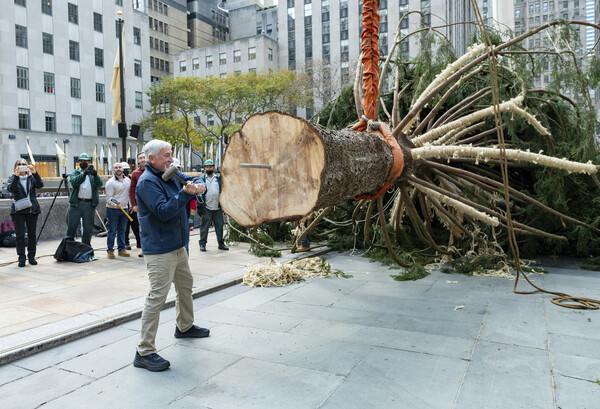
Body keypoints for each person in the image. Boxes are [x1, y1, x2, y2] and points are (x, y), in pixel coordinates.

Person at [133, 139, 209, 372]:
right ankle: (144, 351)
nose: (171, 159)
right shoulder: (147, 182)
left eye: (171, 154)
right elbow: (164, 212)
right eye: (166, 155)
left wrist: (198, 184)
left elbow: (192, 179)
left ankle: (184, 327)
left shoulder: (171, 172)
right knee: (157, 297)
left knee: (185, 285)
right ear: (152, 158)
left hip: (178, 245)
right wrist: (186, 194)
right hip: (159, 249)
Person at [7, 159, 44, 267]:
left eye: (24, 164)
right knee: (20, 235)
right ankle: (21, 258)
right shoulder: (12, 178)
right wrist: (16, 176)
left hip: (32, 209)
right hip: (18, 210)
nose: (22, 166)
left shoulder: (31, 177)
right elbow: (11, 189)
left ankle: (31, 256)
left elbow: (40, 185)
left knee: (32, 234)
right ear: (15, 167)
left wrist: (35, 172)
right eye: (19, 164)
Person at [66, 153, 103, 246]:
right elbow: (74, 182)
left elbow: (99, 184)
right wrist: (83, 174)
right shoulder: (74, 173)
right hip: (76, 203)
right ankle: (68, 247)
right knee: (71, 226)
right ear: (79, 162)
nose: (83, 163)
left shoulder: (92, 174)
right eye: (81, 161)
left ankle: (85, 247)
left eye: (85, 161)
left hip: (89, 204)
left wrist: (95, 175)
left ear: (89, 162)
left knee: (88, 228)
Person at [197, 159, 229, 252]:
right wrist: (200, 207)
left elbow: (223, 191)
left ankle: (221, 243)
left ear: (214, 168)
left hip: (217, 208)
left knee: (219, 226)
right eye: (207, 167)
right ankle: (202, 244)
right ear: (205, 168)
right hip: (206, 208)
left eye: (210, 167)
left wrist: (223, 205)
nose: (209, 168)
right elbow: (198, 194)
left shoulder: (218, 178)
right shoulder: (202, 179)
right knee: (204, 227)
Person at [104, 162, 131, 259]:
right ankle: (110, 250)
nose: (118, 169)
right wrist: (116, 204)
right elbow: (109, 198)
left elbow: (129, 195)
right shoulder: (110, 183)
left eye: (120, 167)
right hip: (113, 210)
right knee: (112, 230)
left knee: (122, 230)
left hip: (125, 209)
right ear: (113, 170)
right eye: (116, 167)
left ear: (123, 169)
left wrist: (131, 205)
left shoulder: (128, 180)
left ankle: (121, 249)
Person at [129, 152, 145, 256]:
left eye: (144, 157)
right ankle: (145, 248)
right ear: (138, 161)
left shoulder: (154, 171)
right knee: (143, 228)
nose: (143, 159)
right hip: (141, 206)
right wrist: (134, 204)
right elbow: (132, 190)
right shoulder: (135, 173)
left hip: (154, 204)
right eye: (140, 158)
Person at [121, 162, 133, 250]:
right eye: (124, 170)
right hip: (123, 205)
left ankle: (140, 243)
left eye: (127, 170)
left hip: (131, 204)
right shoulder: (118, 180)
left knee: (136, 225)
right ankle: (125, 242)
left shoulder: (131, 179)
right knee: (125, 226)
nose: (126, 171)